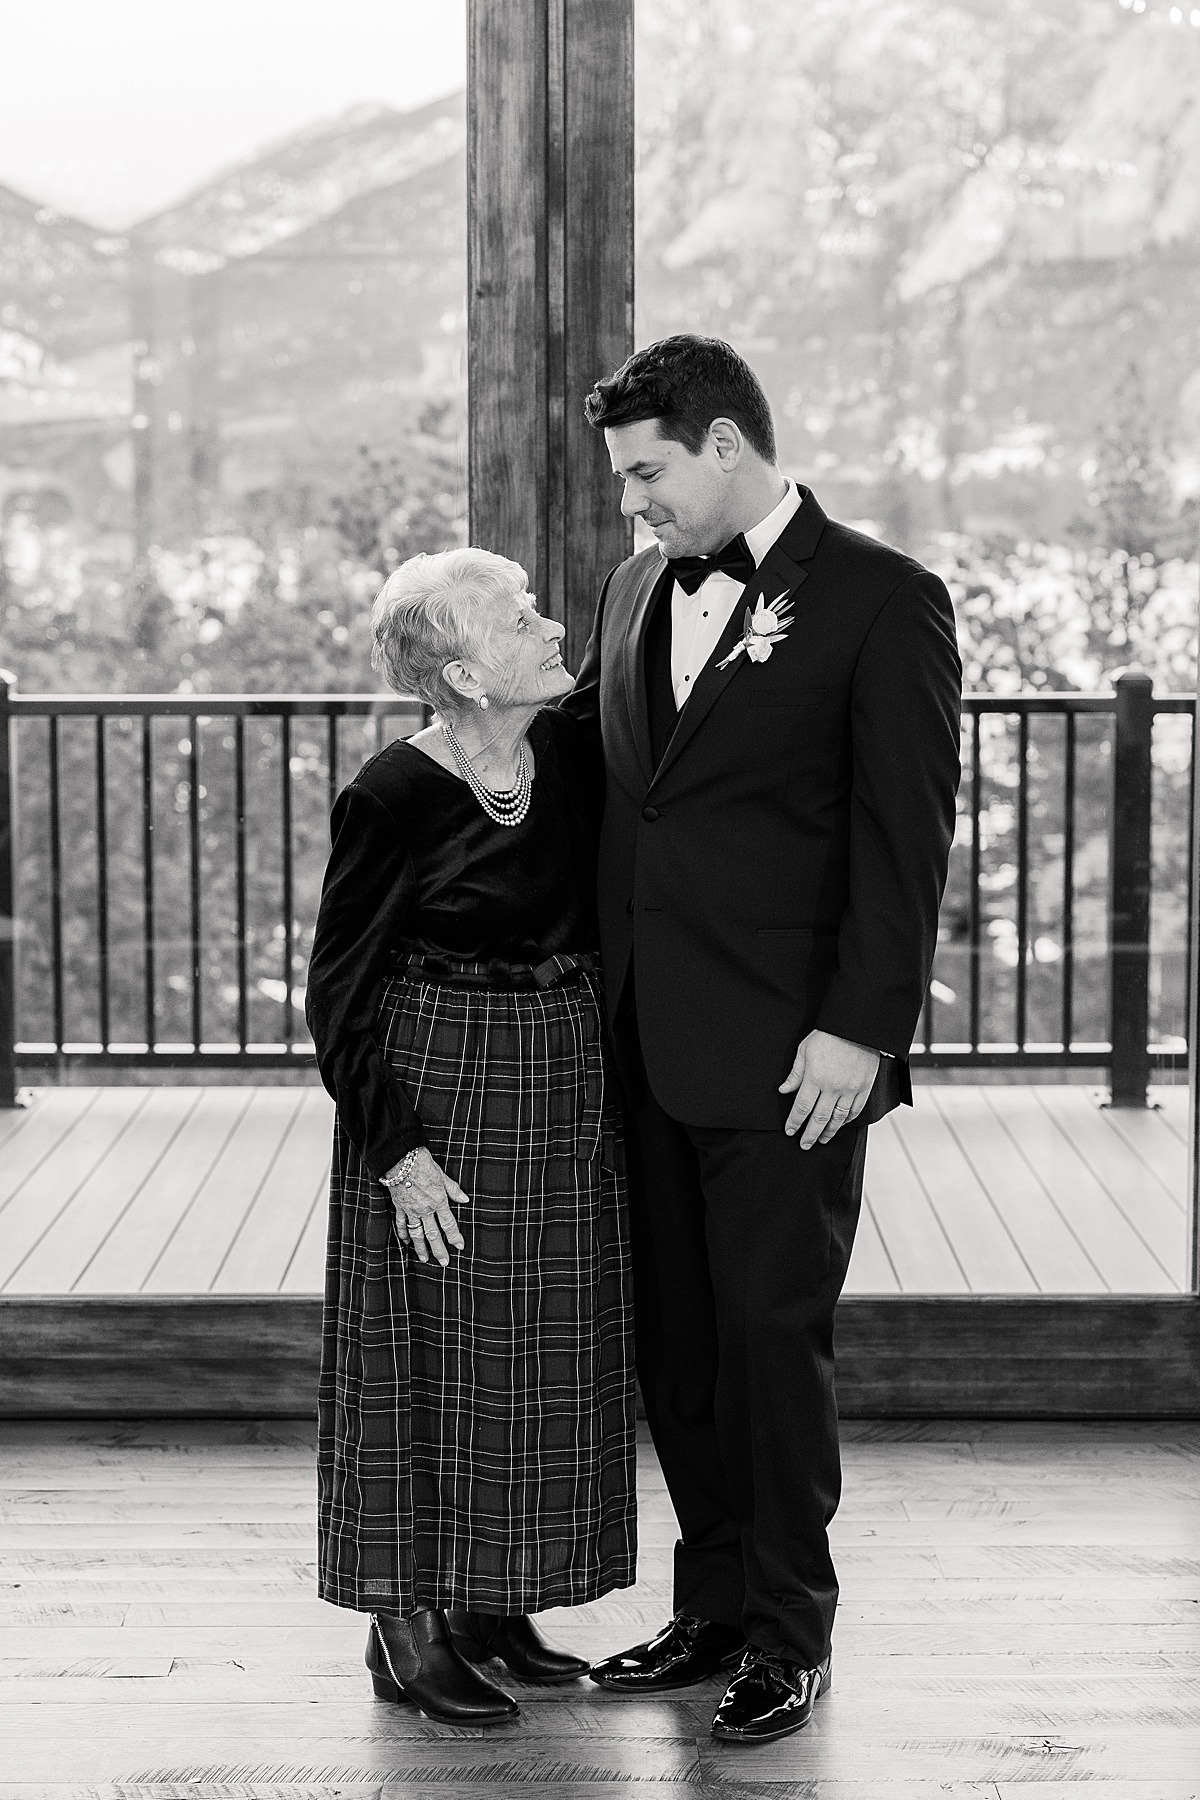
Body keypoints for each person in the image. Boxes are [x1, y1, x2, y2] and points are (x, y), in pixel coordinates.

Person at [565, 335, 961, 1745]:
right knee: (677, 1348)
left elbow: (904, 842)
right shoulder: (628, 590)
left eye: (649, 474)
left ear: (726, 444)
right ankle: (714, 1603)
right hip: (644, 1045)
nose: (634, 509)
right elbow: (633, 812)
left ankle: (794, 1635)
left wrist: (860, 1030)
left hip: (798, 1060)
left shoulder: (882, 599)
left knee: (769, 1343)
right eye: (625, 484)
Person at [306, 546, 636, 1728]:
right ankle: (408, 1625)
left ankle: (499, 1602)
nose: (550, 626)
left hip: (558, 1075)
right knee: (420, 1360)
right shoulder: (392, 793)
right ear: (462, 674)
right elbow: (336, 995)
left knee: (536, 1353)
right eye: (520, 618)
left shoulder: (572, 753)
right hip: (432, 1086)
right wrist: (399, 1155)